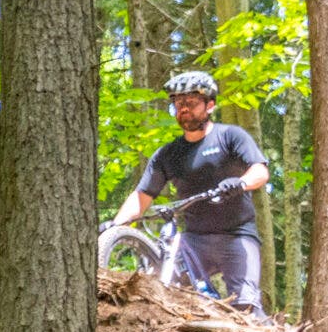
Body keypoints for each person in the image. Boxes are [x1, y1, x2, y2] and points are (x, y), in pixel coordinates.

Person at [112, 70, 272, 313]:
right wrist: (115, 227)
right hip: (194, 240)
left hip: (237, 236)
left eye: (191, 102)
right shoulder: (168, 154)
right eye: (178, 103)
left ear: (210, 105)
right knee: (167, 288)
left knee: (245, 305)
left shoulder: (230, 136)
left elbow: (260, 171)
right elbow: (142, 196)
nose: (184, 108)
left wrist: (239, 183)